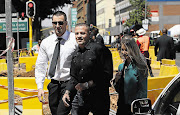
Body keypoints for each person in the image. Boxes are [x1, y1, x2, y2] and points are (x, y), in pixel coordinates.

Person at [62, 23, 113, 115]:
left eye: (82, 33)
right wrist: (67, 91)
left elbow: (107, 74)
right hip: (81, 98)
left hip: (99, 96)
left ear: (89, 34)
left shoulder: (100, 50)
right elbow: (73, 77)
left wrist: (87, 84)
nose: (79, 36)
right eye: (77, 34)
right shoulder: (75, 54)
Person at [35, 11, 77, 115]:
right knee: (55, 112)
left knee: (61, 113)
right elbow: (41, 65)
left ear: (66, 23)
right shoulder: (46, 42)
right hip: (53, 84)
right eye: (55, 23)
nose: (57, 26)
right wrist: (40, 87)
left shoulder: (74, 40)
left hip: (69, 83)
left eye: (60, 23)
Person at [112, 35, 148, 115]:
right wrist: (116, 81)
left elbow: (143, 91)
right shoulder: (121, 67)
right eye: (122, 50)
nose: (124, 53)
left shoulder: (140, 67)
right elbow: (118, 90)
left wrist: (136, 105)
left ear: (132, 50)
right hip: (121, 107)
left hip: (134, 108)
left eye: (126, 50)